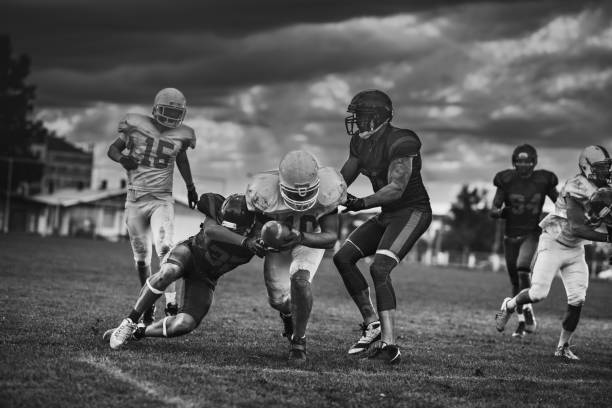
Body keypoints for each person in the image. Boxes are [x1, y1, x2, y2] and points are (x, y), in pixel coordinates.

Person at [332, 89, 432, 364]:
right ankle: (372, 323)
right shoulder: (359, 143)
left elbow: (397, 189)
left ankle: (390, 345)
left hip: (412, 212)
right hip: (387, 214)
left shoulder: (403, 141)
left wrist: (359, 203)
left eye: (361, 116)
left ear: (378, 117)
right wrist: (319, 197)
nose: (357, 122)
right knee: (343, 257)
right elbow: (342, 181)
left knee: (379, 268)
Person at [103, 193, 267, 349]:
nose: (231, 233)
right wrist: (245, 242)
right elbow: (211, 230)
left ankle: (137, 331)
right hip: (190, 253)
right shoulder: (217, 208)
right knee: (168, 272)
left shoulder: (261, 233)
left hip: (206, 277)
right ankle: (129, 321)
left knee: (185, 324)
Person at [495, 145, 612, 360]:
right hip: (554, 243)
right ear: (586, 167)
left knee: (577, 300)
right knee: (538, 293)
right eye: (600, 168)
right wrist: (608, 238)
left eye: (607, 167)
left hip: (576, 249)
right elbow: (577, 227)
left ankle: (562, 347)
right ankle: (510, 305)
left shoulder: (607, 188)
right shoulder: (575, 186)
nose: (605, 172)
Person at [245, 150, 346, 365]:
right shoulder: (264, 191)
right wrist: (259, 240)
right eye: (295, 193)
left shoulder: (329, 190)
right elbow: (258, 229)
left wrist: (300, 236)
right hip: (280, 246)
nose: (301, 198)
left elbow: (330, 238)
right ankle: (288, 316)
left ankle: (299, 342)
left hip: (309, 240)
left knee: (300, 281)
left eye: (306, 193)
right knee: (279, 301)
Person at [107, 88, 198, 323]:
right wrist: (122, 159)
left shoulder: (182, 134)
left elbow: (181, 158)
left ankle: (170, 303)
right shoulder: (135, 126)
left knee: (165, 247)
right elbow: (113, 149)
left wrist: (190, 186)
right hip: (135, 199)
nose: (170, 117)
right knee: (141, 259)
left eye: (174, 113)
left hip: (161, 199)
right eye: (166, 111)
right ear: (155, 109)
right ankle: (147, 305)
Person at [490, 144, 558, 338]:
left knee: (523, 268)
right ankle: (522, 320)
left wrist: (557, 218)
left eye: (527, 161)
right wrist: (501, 212)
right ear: (514, 162)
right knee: (515, 282)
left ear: (534, 162)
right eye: (519, 161)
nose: (523, 164)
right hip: (510, 235)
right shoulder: (506, 179)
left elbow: (561, 203)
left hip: (532, 232)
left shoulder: (544, 180)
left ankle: (527, 312)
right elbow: (493, 209)